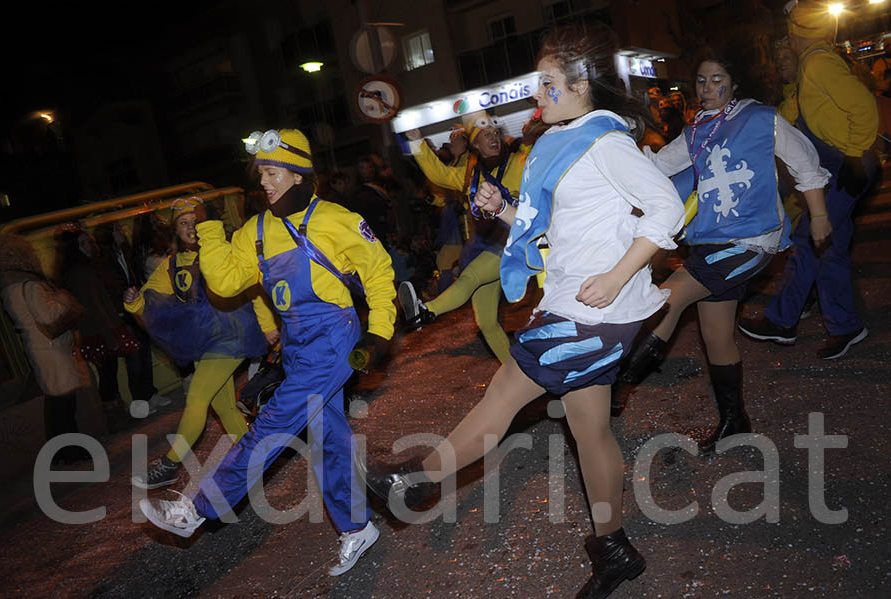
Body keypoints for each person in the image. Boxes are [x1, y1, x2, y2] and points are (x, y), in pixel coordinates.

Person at [360, 23, 685, 599]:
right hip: (581, 305)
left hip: (591, 313)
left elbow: (666, 208)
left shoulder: (603, 141)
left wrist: (616, 275)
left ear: (582, 83)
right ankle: (614, 550)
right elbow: (561, 234)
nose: (537, 93)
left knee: (505, 392)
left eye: (547, 82)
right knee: (591, 430)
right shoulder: (564, 142)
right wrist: (508, 212)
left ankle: (416, 482)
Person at [137, 129, 395, 577]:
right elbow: (224, 283)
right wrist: (210, 228)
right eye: (262, 174)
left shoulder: (335, 218)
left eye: (273, 173)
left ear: (297, 175)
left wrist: (379, 333)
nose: (266, 183)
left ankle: (195, 509)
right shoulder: (256, 230)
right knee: (327, 438)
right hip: (297, 343)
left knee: (271, 426)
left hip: (334, 337)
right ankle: (357, 527)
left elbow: (378, 271)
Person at [618, 41, 831, 452]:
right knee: (716, 335)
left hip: (750, 240)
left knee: (667, 297)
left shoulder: (759, 118)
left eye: (718, 79)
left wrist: (819, 216)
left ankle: (619, 384)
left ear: (734, 83)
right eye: (701, 80)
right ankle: (735, 421)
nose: (708, 87)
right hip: (710, 242)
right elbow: (659, 168)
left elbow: (804, 163)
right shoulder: (696, 130)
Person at [738, 1, 879, 360]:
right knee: (829, 248)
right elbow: (787, 123)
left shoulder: (817, 61)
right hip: (843, 161)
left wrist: (854, 153)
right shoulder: (810, 70)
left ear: (798, 33)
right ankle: (845, 326)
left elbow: (863, 107)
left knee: (810, 237)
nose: (786, 44)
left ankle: (783, 321)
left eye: (789, 35)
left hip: (849, 161)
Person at [124, 198, 276, 489]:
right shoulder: (170, 265)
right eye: (183, 223)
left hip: (231, 333)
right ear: (175, 230)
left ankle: (169, 464)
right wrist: (133, 301)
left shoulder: (220, 250)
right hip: (201, 341)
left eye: (195, 220)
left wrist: (268, 326)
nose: (191, 227)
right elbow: (148, 297)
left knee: (196, 399)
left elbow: (252, 286)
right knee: (225, 408)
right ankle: (258, 459)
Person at [398, 110, 530, 364]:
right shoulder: (471, 174)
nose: (493, 139)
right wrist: (416, 141)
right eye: (485, 135)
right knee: (487, 322)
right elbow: (438, 174)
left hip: (517, 244)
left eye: (495, 133)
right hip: (487, 247)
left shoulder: (521, 161)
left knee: (469, 278)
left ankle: (425, 311)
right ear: (475, 144)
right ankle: (516, 373)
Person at [0, 233, 93, 464]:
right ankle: (72, 451)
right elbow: (49, 316)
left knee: (57, 402)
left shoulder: (8, 286)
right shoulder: (30, 284)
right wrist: (64, 299)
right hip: (53, 349)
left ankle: (60, 453)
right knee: (64, 404)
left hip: (38, 348)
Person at [59, 225, 138, 433]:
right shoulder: (81, 273)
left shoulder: (82, 270)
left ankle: (117, 415)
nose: (89, 247)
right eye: (83, 244)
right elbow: (94, 307)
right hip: (99, 331)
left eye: (89, 242)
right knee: (108, 375)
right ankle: (114, 418)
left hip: (98, 330)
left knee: (109, 373)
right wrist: (110, 335)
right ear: (76, 248)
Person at [93, 221, 170, 415]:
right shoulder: (105, 259)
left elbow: (132, 278)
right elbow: (113, 286)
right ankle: (141, 403)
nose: (123, 231)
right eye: (117, 229)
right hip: (123, 313)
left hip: (135, 307)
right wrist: (127, 300)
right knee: (134, 359)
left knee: (144, 352)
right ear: (109, 234)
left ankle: (150, 394)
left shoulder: (123, 253)